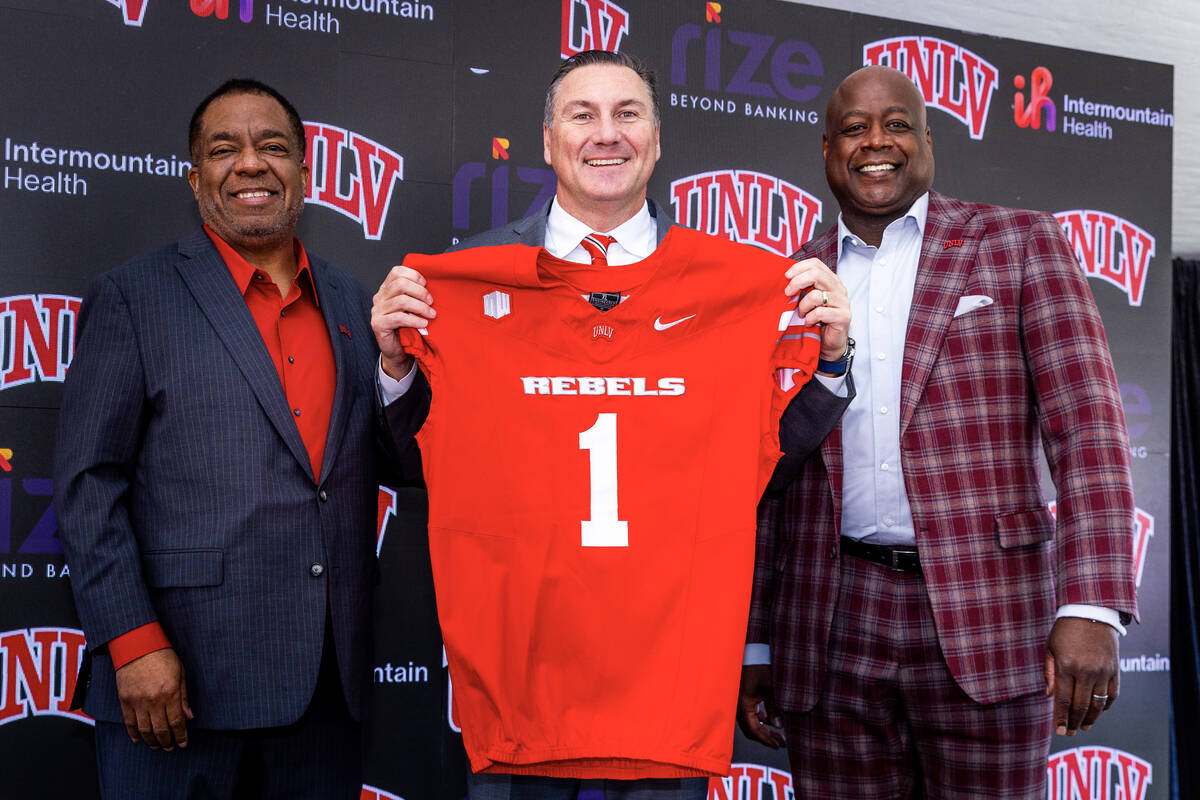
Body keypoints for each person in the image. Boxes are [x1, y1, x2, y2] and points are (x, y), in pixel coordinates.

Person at [370, 50, 853, 800]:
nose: (607, 134)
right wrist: (398, 366)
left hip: (668, 693)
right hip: (520, 691)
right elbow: (413, 462)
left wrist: (826, 360)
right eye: (582, 114)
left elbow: (767, 461)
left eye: (627, 114)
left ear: (657, 140)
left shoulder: (744, 290)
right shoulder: (466, 280)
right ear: (547, 139)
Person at [737, 65, 1137, 799]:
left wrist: (1091, 605)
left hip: (990, 618)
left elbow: (1088, 429)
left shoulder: (1017, 243)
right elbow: (766, 476)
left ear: (928, 141)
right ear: (827, 149)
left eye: (895, 124)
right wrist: (757, 635)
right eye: (854, 129)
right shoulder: (787, 283)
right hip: (828, 626)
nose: (875, 143)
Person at [54, 79, 388, 799]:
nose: (250, 165)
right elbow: (89, 485)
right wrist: (133, 643)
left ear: (305, 171)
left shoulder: (357, 304)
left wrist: (398, 373)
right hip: (177, 689)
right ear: (195, 175)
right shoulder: (133, 297)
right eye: (223, 149)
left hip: (326, 694)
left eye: (273, 148)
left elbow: (398, 460)